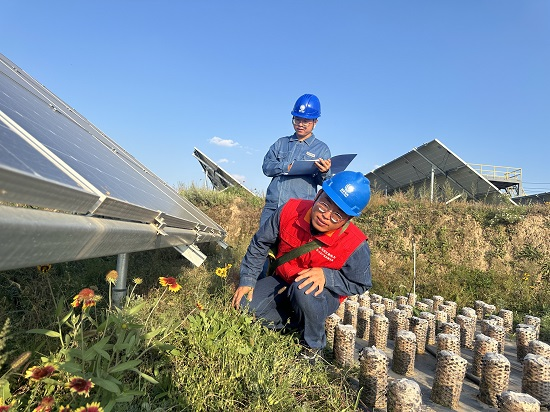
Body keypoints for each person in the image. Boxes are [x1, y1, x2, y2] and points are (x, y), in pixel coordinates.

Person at [232, 171, 372, 361]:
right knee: (244, 306)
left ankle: (313, 345)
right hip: (283, 279)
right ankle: (298, 324)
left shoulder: (355, 244)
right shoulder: (290, 210)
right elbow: (260, 243)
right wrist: (247, 280)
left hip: (317, 294)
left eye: (337, 215)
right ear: (317, 195)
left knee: (303, 289)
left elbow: (360, 283)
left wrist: (327, 276)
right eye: (324, 204)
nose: (325, 215)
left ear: (348, 219)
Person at [259, 94, 332, 227]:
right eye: (297, 120)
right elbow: (266, 167)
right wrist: (286, 167)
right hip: (273, 206)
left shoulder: (322, 149)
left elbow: (324, 184)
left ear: (315, 122)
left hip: (299, 210)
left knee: (290, 246)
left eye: (306, 121)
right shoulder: (281, 143)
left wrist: (325, 173)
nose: (300, 125)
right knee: (261, 243)